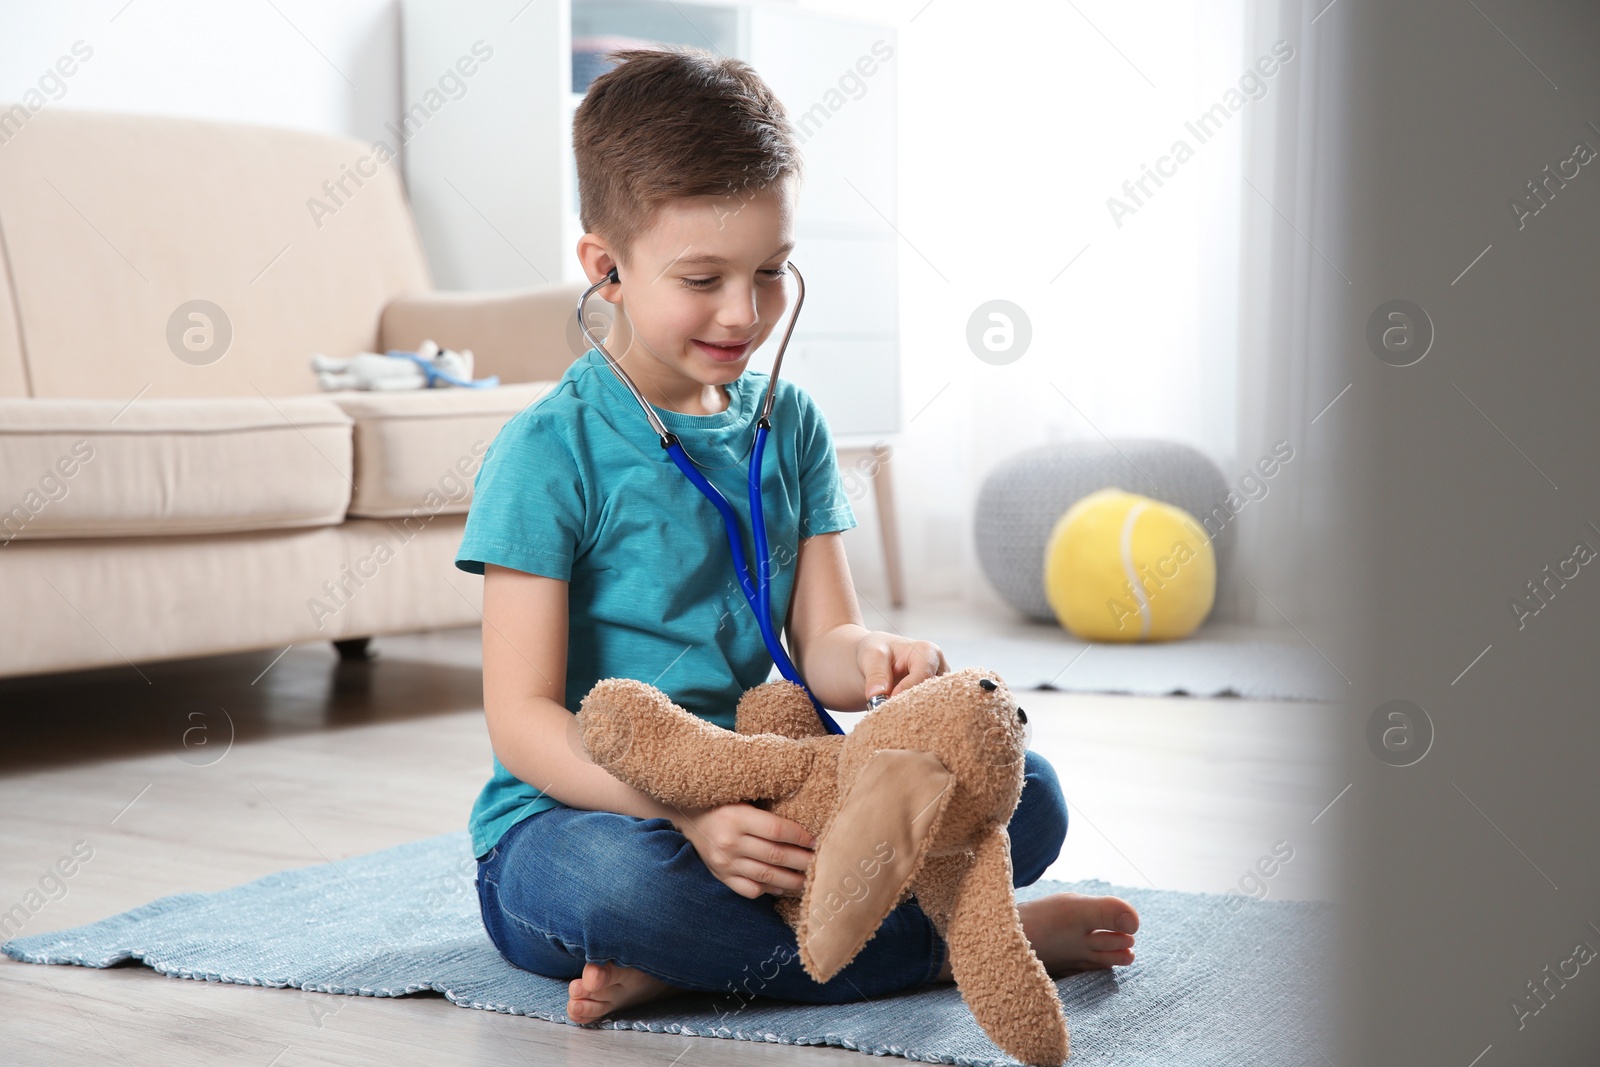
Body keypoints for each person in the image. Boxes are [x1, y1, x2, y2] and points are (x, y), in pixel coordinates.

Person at [455, 46, 1139, 1027]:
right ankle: (989, 938)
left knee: (1028, 794)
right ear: (603, 266)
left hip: (789, 797)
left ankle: (696, 967)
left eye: (770, 271)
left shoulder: (794, 426)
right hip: (594, 815)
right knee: (628, 892)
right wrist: (688, 812)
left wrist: (877, 661)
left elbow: (823, 653)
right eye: (702, 278)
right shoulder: (544, 453)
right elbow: (521, 719)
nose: (744, 311)